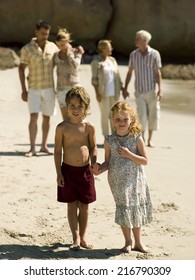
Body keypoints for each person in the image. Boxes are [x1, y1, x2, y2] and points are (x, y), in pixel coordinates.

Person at [93, 101, 153, 253]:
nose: (121, 123)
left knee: (135, 208)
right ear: (112, 120)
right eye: (117, 119)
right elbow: (108, 162)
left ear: (131, 119)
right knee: (123, 208)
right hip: (116, 180)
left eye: (125, 119)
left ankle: (138, 242)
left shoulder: (136, 138)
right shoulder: (109, 140)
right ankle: (127, 241)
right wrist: (99, 169)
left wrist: (129, 154)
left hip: (135, 180)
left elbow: (145, 161)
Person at [54, 86, 97, 250]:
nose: (76, 109)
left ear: (85, 107)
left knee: (84, 206)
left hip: (85, 172)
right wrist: (59, 173)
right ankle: (75, 238)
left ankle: (84, 237)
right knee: (71, 205)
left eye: (80, 106)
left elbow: (93, 146)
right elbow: (58, 151)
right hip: (68, 171)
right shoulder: (62, 127)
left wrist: (94, 162)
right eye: (72, 105)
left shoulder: (89, 127)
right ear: (66, 106)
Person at [18, 19, 59, 157]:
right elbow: (21, 69)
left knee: (47, 118)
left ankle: (44, 146)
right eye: (42, 33)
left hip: (49, 88)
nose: (44, 36)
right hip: (34, 88)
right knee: (34, 117)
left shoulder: (53, 47)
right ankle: (32, 148)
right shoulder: (26, 49)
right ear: (36, 32)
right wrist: (24, 90)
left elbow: (62, 59)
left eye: (47, 34)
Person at [124, 30, 162, 147]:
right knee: (141, 116)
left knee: (153, 115)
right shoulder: (133, 55)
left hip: (152, 90)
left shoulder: (155, 54)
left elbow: (157, 72)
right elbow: (130, 72)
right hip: (139, 91)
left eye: (137, 38)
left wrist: (160, 89)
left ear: (144, 41)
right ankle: (142, 138)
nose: (135, 40)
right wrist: (125, 88)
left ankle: (150, 139)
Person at [91, 40, 124, 140]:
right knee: (105, 115)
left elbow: (118, 76)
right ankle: (106, 137)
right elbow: (94, 80)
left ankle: (115, 136)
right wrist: (97, 93)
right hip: (103, 93)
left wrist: (123, 89)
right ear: (103, 49)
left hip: (114, 92)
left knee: (115, 115)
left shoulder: (113, 60)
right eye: (109, 47)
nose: (111, 49)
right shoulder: (96, 62)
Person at [54, 28, 85, 120]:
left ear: (67, 41)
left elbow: (75, 66)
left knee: (78, 117)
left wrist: (69, 54)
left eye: (63, 45)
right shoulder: (56, 55)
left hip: (74, 88)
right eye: (59, 46)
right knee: (66, 119)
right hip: (60, 89)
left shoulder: (76, 52)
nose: (61, 48)